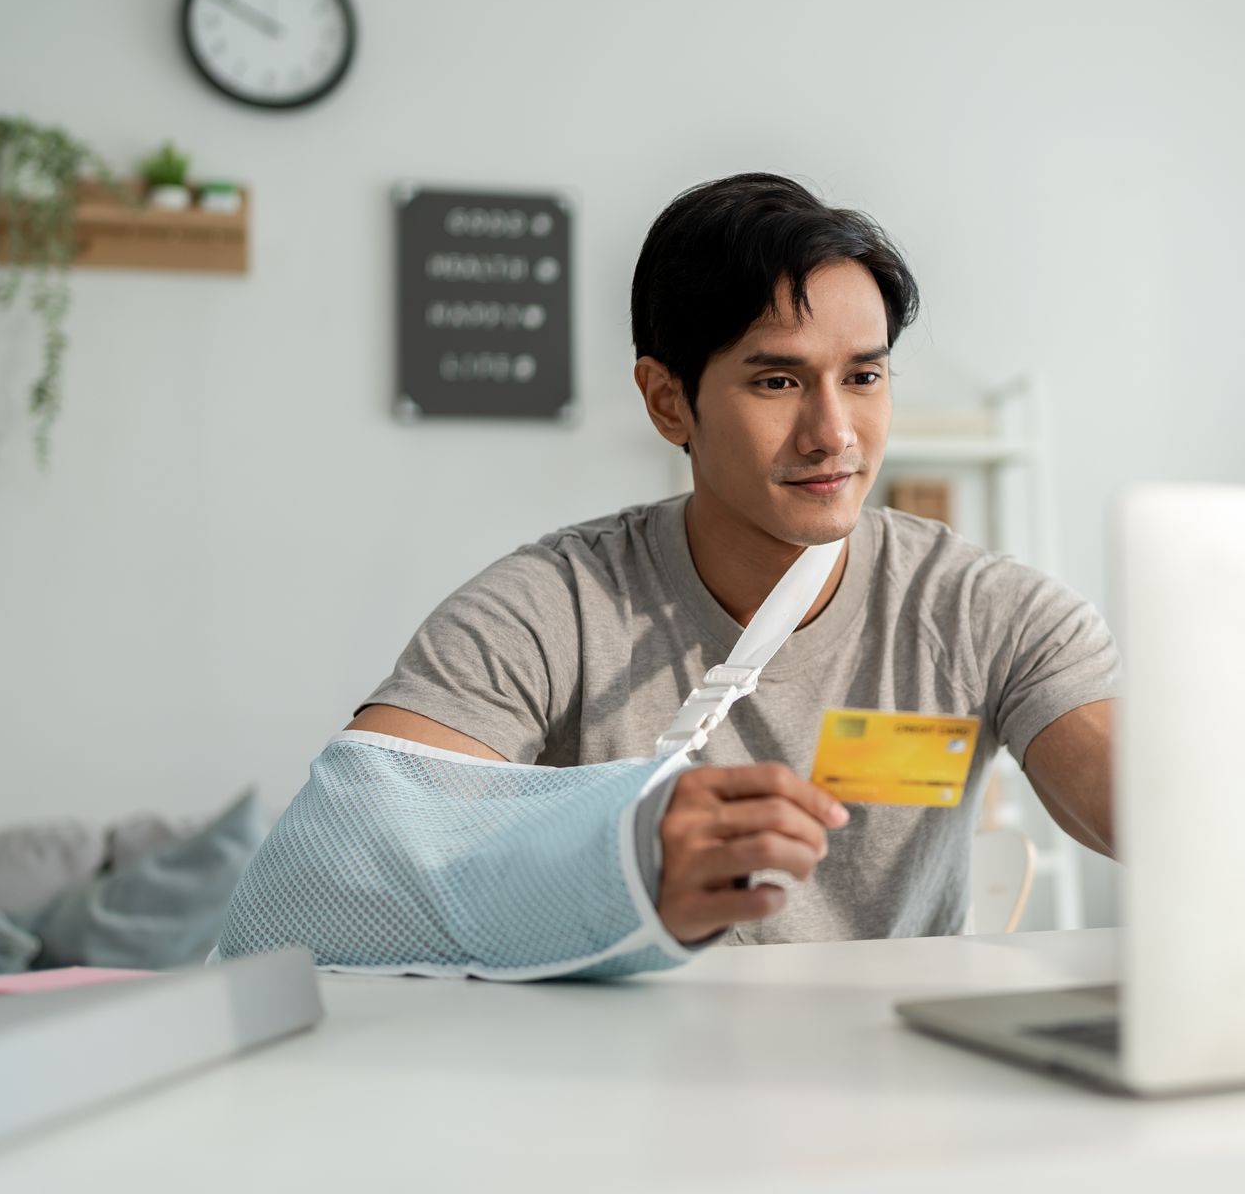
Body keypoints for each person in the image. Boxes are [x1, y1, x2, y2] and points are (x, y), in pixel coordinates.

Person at [347, 172, 1118, 949]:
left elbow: (1146, 806)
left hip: (887, 1062)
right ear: (668, 401)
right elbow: (353, 854)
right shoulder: (551, 610)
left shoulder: (985, 611)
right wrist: (610, 869)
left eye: (863, 377)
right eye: (777, 381)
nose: (835, 434)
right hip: (610, 1065)